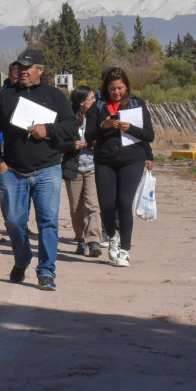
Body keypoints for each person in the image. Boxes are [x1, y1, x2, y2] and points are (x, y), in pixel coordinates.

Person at [0, 49, 77, 290]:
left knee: (48, 221)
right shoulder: (5, 96)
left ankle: (46, 271)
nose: (23, 71)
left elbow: (71, 126)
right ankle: (23, 257)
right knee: (14, 221)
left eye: (28, 67)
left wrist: (48, 129)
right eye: (20, 67)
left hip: (47, 169)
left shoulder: (55, 96)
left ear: (40, 70)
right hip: (13, 170)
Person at [85, 67, 155, 268]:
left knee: (125, 203)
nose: (117, 92)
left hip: (132, 159)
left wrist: (130, 128)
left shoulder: (137, 104)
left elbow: (149, 135)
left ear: (127, 87)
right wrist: (103, 127)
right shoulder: (97, 107)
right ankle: (112, 236)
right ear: (106, 88)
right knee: (106, 205)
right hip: (105, 160)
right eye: (113, 88)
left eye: (121, 88)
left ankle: (125, 250)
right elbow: (88, 137)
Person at [63, 86, 102, 258]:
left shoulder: (97, 117)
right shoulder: (68, 120)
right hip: (73, 168)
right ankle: (80, 238)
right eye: (91, 98)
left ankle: (93, 240)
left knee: (92, 205)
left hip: (93, 167)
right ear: (81, 102)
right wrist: (71, 145)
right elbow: (57, 143)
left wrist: (95, 142)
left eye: (95, 98)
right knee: (76, 208)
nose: (94, 101)